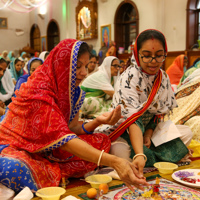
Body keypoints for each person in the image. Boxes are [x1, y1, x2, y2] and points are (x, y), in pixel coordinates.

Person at [0, 39, 149, 193]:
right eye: (77, 67)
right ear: (61, 65)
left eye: (85, 66)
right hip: (19, 146)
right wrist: (115, 161)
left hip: (51, 146)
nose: (84, 73)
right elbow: (65, 140)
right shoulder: (39, 90)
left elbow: (71, 128)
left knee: (101, 141)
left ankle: (51, 170)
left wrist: (97, 121)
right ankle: (50, 171)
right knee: (13, 169)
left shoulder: (74, 90)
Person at [96, 29, 190, 174]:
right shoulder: (129, 77)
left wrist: (149, 133)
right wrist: (140, 153)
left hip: (147, 131)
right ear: (136, 54)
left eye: (159, 56)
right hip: (124, 130)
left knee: (186, 132)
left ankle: (146, 155)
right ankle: (143, 156)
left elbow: (158, 114)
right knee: (121, 151)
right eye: (146, 56)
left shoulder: (163, 77)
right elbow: (132, 119)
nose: (153, 61)